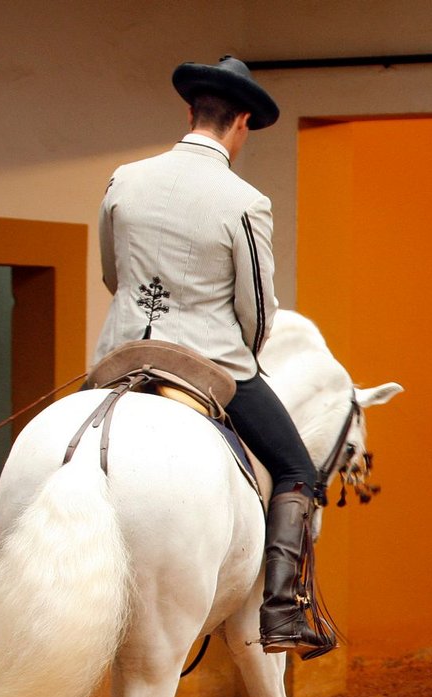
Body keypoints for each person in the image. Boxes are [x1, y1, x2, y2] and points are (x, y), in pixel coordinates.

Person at [96, 55, 331, 655]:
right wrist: (245, 357)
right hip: (208, 362)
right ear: (243, 122)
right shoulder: (244, 201)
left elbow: (111, 273)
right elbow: (258, 311)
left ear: (190, 110)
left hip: (121, 354)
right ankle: (281, 610)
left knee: (68, 448)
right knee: (298, 470)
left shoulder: (124, 178)